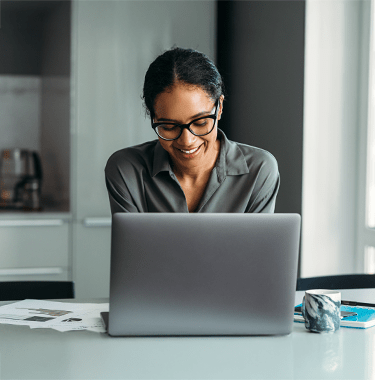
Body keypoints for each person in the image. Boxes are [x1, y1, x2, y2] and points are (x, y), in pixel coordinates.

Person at [105, 47, 280, 213]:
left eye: (201, 122)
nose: (187, 141)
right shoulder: (127, 170)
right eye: (169, 127)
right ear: (153, 117)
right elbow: (133, 245)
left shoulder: (259, 170)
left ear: (219, 108)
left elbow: (256, 246)